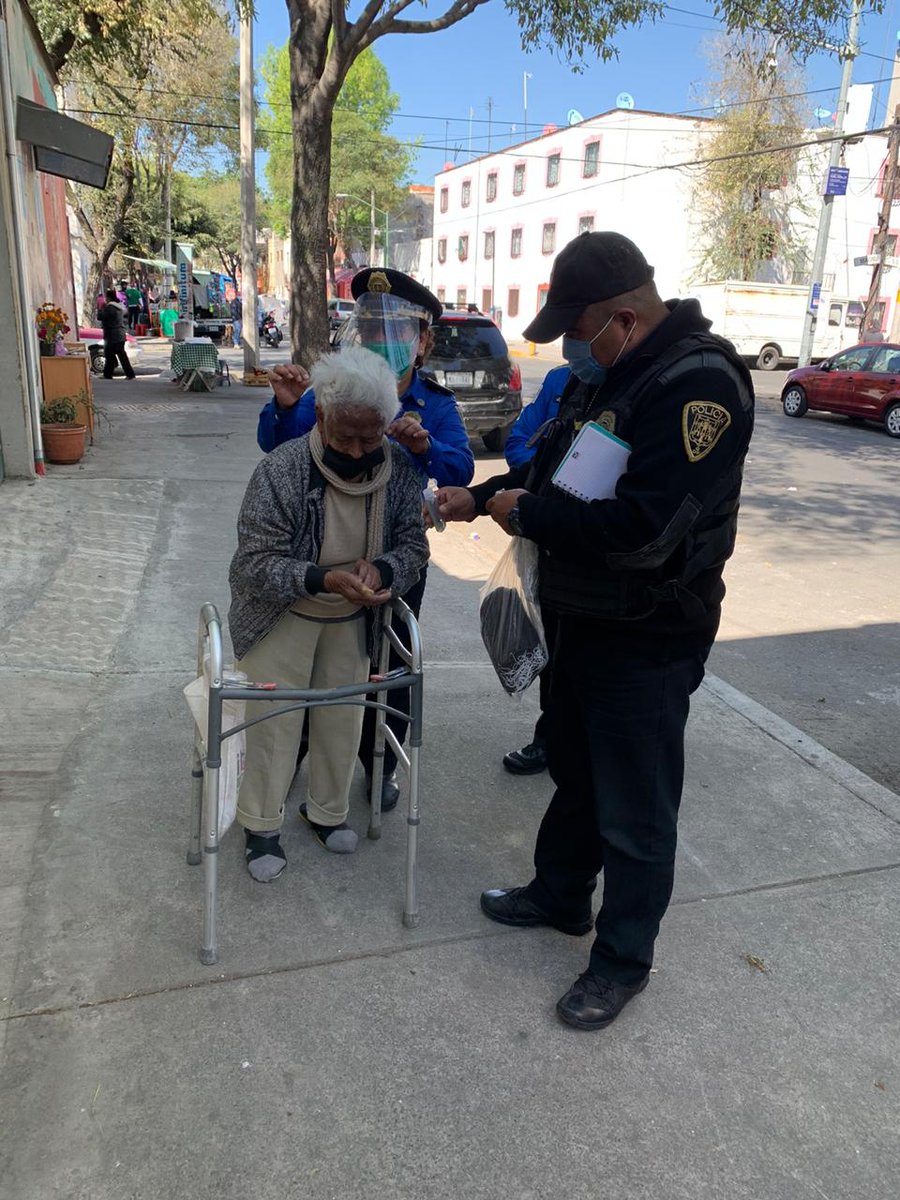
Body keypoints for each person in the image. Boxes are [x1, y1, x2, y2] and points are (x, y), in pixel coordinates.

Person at [434, 231, 754, 1031]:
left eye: (576, 331)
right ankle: (560, 895)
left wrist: (528, 514)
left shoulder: (697, 386)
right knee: (575, 769)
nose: (570, 347)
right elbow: (550, 471)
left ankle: (622, 960)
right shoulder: (611, 375)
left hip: (647, 638)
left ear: (622, 316)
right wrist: (483, 495)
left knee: (636, 810)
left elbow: (647, 532)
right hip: (578, 620)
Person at [257, 268, 474, 811]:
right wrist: (285, 406)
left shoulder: (436, 404)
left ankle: (377, 763)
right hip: (321, 548)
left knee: (390, 663)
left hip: (392, 556)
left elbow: (461, 470)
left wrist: (424, 449)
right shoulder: (339, 389)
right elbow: (284, 448)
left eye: (396, 331)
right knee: (314, 658)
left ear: (422, 341)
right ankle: (300, 757)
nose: (383, 342)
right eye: (372, 328)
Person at [229, 346, 429, 881]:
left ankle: (326, 812)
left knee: (343, 718)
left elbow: (415, 546)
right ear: (320, 416)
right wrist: (322, 578)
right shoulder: (283, 469)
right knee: (273, 722)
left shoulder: (400, 470)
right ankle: (261, 825)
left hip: (353, 616)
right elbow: (254, 563)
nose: (361, 450)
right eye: (348, 436)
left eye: (373, 436)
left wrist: (383, 571)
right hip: (283, 612)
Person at [500, 364, 570, 776]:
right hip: (551, 541)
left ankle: (578, 744)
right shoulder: (562, 381)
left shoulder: (644, 381)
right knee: (551, 646)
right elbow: (519, 443)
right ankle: (549, 739)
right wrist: (555, 478)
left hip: (601, 555)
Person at [98, 289, 136, 380]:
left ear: (108, 298)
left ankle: (108, 374)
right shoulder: (119, 307)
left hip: (112, 335)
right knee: (122, 356)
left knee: (110, 355)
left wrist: (100, 308)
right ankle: (130, 374)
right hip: (120, 334)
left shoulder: (110, 308)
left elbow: (100, 317)